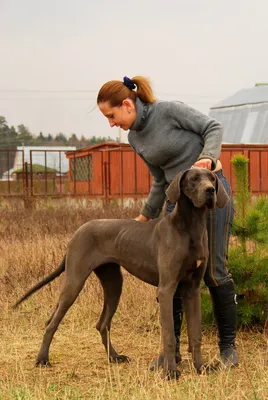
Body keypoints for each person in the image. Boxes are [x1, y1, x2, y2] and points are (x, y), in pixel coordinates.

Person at [97, 75, 238, 367]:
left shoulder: (169, 111)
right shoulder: (135, 137)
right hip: (178, 200)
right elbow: (160, 181)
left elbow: (213, 126)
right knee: (169, 276)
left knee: (213, 272)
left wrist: (207, 158)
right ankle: (171, 353)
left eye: (111, 116)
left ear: (126, 104)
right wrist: (145, 215)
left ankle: (228, 351)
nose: (111, 123)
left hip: (210, 193)